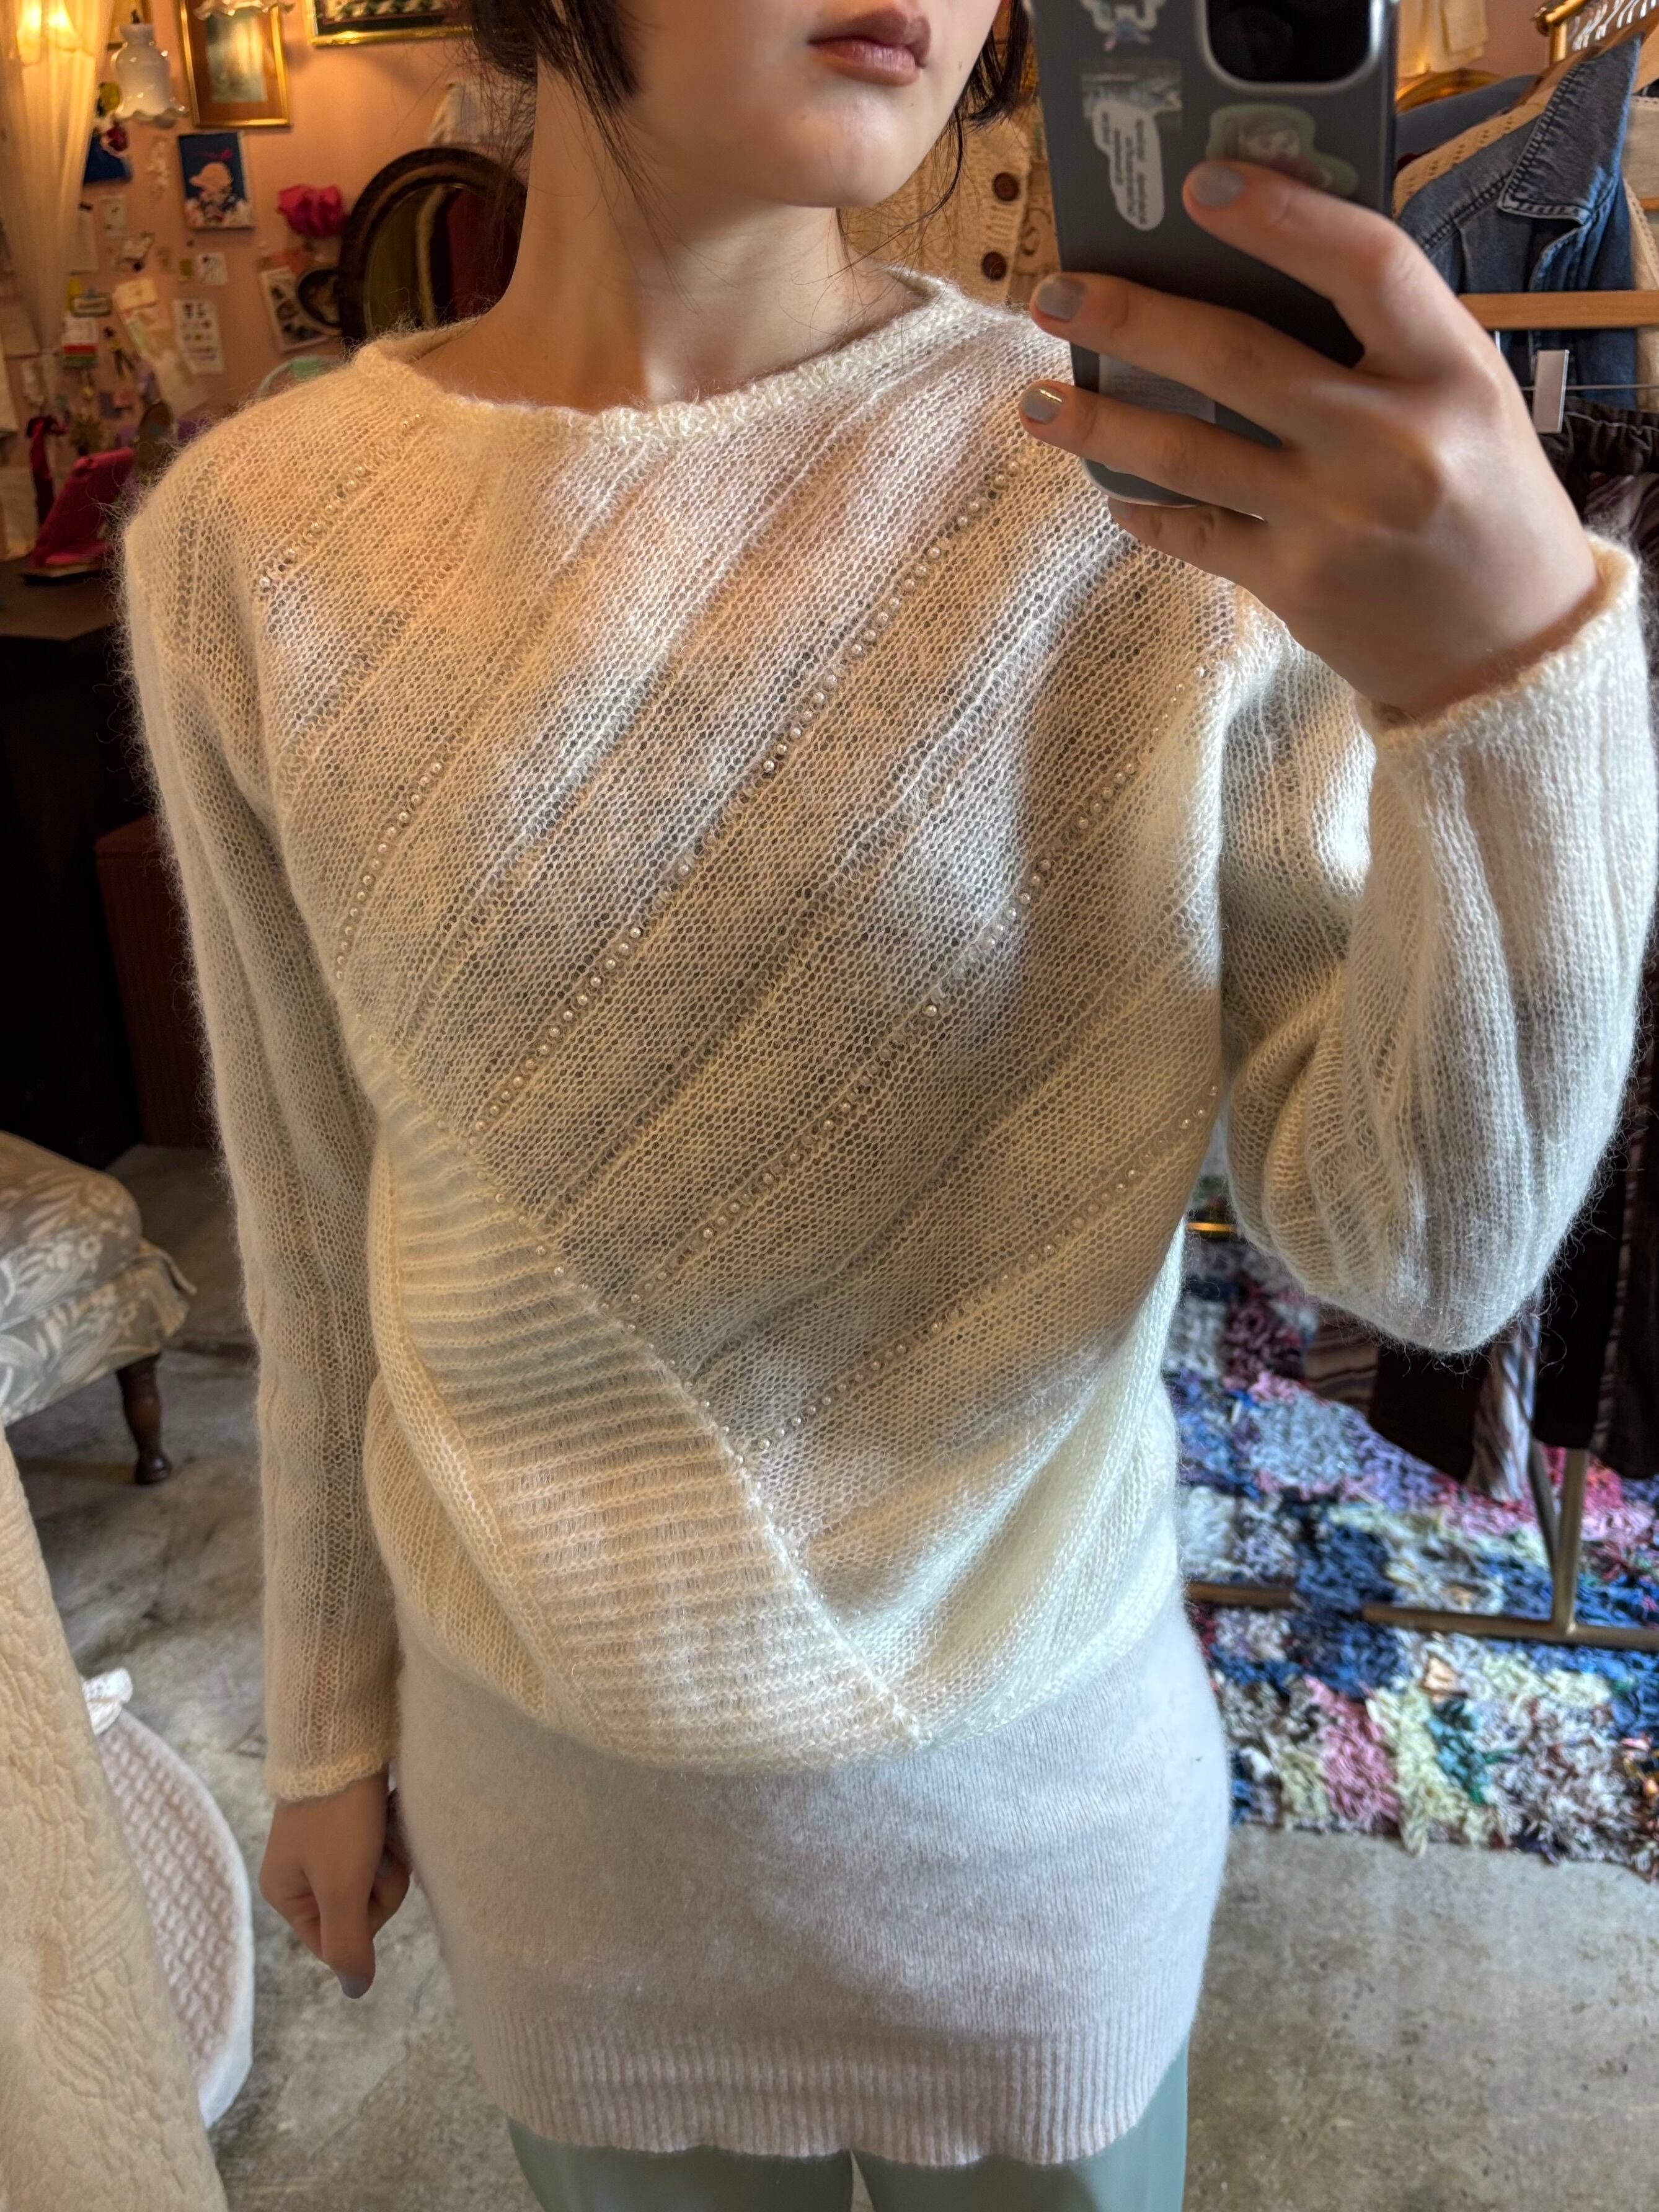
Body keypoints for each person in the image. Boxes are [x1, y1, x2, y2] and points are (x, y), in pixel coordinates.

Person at [121, 4, 1656, 2209]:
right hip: (557, 1832)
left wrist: (1503, 685)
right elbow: (307, 1200)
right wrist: (325, 1723)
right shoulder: (248, 541)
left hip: (1022, 1830)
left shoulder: (1142, 489)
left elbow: (1416, 1257)